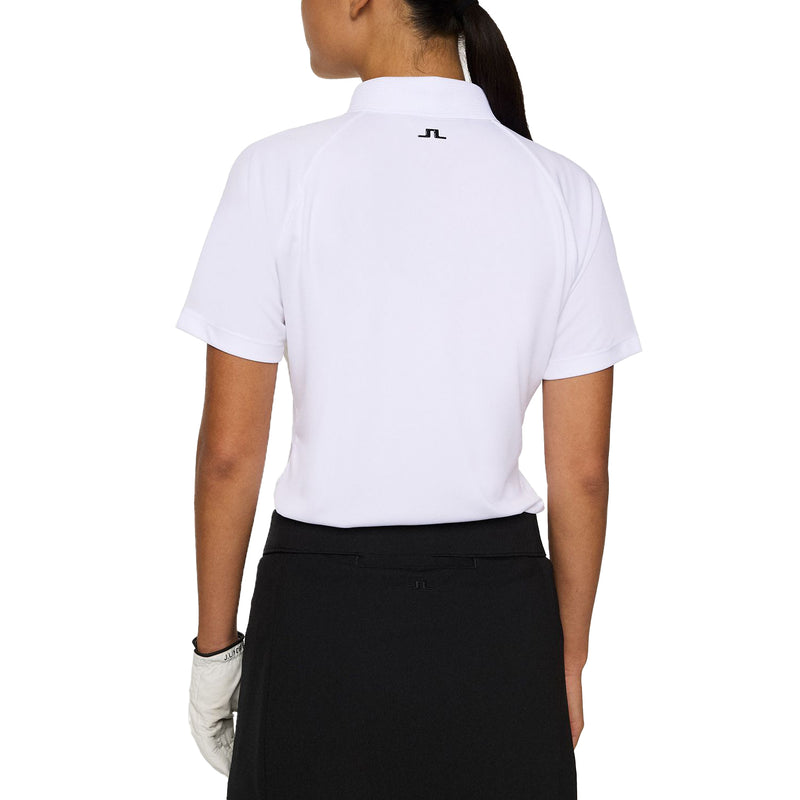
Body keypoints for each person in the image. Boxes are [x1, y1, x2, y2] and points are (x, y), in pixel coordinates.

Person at [177, 0, 642, 797]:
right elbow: (583, 476)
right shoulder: (562, 188)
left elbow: (229, 457)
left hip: (320, 618)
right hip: (501, 622)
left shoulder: (276, 173)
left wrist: (215, 656)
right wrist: (565, 661)